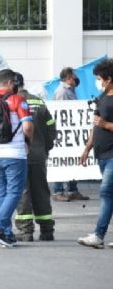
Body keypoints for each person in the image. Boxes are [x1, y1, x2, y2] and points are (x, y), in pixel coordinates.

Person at [0, 69, 34, 247]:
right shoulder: (18, 100)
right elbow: (27, 127)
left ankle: (6, 234)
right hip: (14, 154)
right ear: (11, 82)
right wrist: (28, 142)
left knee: (1, 194)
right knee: (15, 192)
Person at [13, 73, 56, 242]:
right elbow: (51, 130)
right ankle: (47, 230)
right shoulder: (38, 101)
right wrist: (44, 149)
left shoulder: (11, 102)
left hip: (18, 155)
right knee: (41, 191)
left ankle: (25, 231)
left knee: (23, 192)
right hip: (38, 154)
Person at [78, 58, 113, 248]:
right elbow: (95, 125)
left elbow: (102, 124)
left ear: (109, 79)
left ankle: (98, 235)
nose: (98, 82)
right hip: (102, 154)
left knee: (106, 192)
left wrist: (106, 125)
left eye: (99, 78)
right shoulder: (101, 98)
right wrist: (87, 148)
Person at [52, 66, 89, 202]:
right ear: (68, 78)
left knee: (73, 160)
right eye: (74, 77)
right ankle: (58, 191)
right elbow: (63, 114)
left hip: (71, 133)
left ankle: (72, 190)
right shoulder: (62, 92)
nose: (76, 79)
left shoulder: (69, 90)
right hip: (63, 133)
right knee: (62, 160)